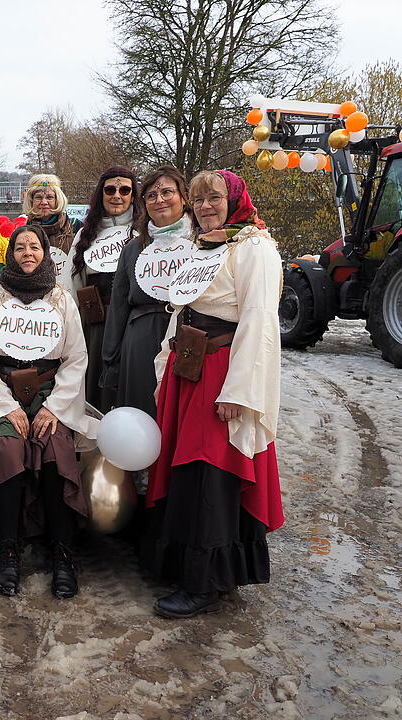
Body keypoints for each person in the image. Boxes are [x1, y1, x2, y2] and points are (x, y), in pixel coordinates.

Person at [142, 169, 284, 619]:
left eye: (214, 198)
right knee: (186, 468)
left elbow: (259, 321)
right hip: (189, 365)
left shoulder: (254, 247)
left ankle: (204, 582)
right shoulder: (202, 245)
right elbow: (183, 305)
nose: (205, 206)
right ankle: (185, 566)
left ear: (235, 199)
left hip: (221, 371)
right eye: (199, 199)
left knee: (210, 468)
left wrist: (239, 390)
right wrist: (166, 360)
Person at [0, 225, 98, 599]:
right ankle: (9, 549)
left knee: (55, 449)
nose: (28, 253)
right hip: (0, 390)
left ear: (45, 253)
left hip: (50, 391)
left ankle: (62, 552)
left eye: (34, 247)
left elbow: (76, 357)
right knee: (6, 448)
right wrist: (4, 406)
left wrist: (54, 406)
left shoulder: (61, 299)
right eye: (20, 248)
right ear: (11, 255)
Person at [102, 167, 192, 417]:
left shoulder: (200, 242)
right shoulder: (133, 249)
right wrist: (111, 360)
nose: (159, 200)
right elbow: (119, 307)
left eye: (167, 192)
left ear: (183, 197)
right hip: (140, 341)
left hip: (188, 336)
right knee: (142, 413)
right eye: (151, 195)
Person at [70, 166, 142, 413]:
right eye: (110, 190)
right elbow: (72, 283)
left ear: (133, 195)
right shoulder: (85, 235)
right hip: (96, 323)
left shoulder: (143, 232)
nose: (117, 196)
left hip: (132, 321)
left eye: (125, 190)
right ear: (101, 194)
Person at [23, 174, 80, 255]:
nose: (44, 202)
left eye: (50, 197)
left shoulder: (75, 226)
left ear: (58, 199)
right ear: (31, 200)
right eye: (38, 197)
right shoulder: (23, 231)